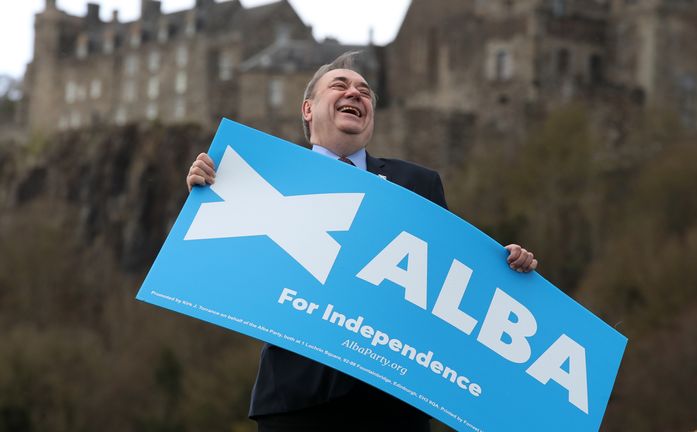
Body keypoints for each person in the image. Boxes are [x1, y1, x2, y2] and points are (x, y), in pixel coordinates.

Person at [186, 52, 537, 432]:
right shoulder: (265, 177)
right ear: (308, 108)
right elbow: (229, 269)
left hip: (392, 400)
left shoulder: (419, 183)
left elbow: (449, 278)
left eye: (365, 91)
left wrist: (506, 267)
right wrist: (204, 192)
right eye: (340, 85)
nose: (355, 93)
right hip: (295, 400)